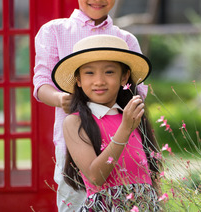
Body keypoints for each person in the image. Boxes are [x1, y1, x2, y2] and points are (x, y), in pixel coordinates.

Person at [33, 0, 147, 211]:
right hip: (74, 144)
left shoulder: (125, 40)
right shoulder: (55, 32)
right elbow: (40, 83)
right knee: (76, 203)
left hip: (121, 141)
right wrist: (61, 98)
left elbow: (139, 90)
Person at [52, 35, 161, 211]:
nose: (99, 81)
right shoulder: (74, 122)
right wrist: (125, 129)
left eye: (109, 72)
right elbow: (96, 176)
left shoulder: (131, 115)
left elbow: (149, 173)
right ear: (78, 80)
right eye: (89, 73)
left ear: (124, 77)